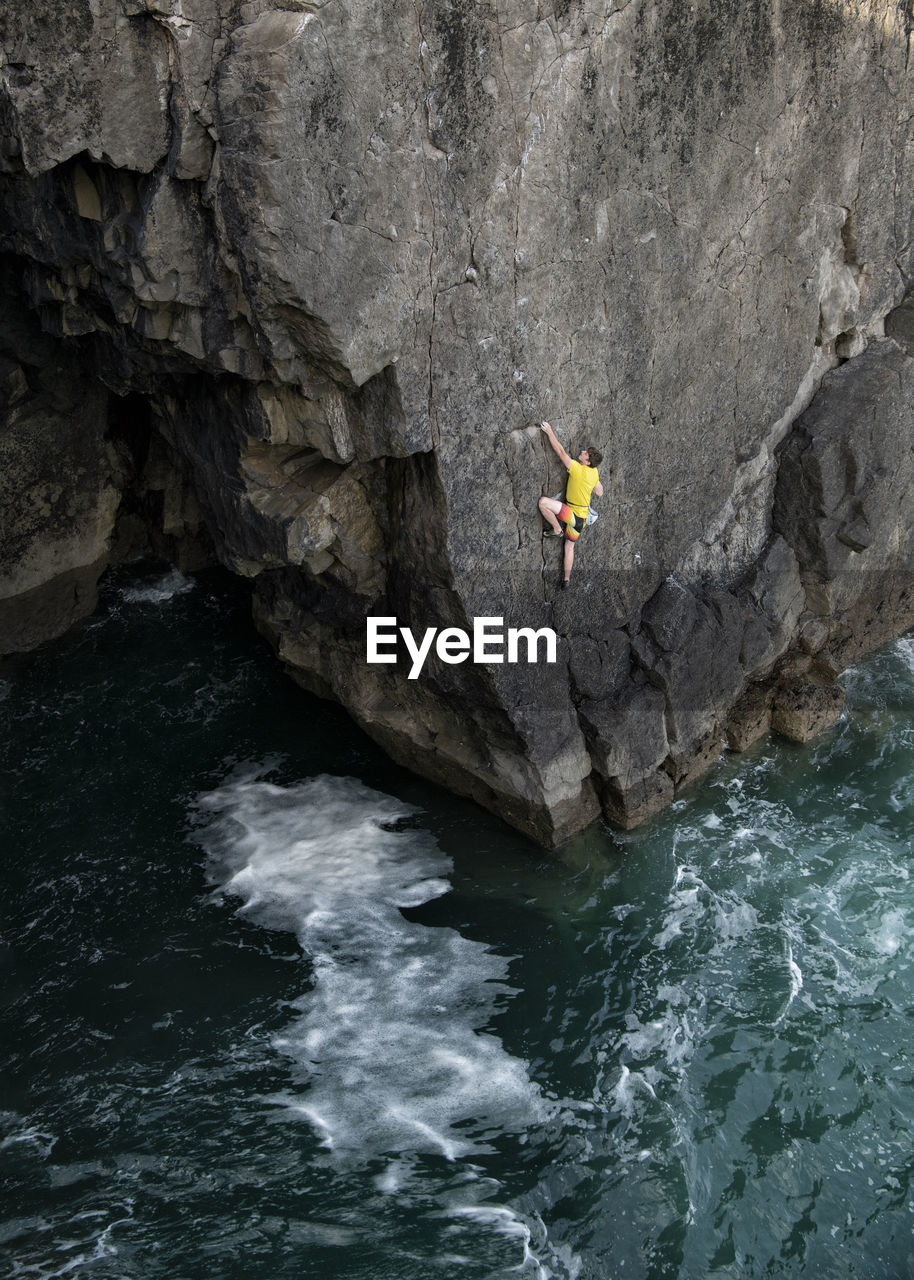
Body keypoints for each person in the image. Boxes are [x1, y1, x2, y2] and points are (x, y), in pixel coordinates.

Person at [537, 421, 604, 588]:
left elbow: (560, 451)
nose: (582, 452)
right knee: (569, 547)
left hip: (572, 515)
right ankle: (566, 580)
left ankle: (557, 529)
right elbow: (600, 491)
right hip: (581, 521)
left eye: (585, 454)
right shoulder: (593, 473)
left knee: (543, 503)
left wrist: (550, 432)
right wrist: (591, 485)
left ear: (587, 461)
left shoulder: (577, 468)